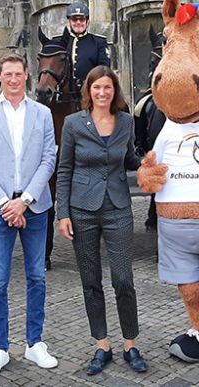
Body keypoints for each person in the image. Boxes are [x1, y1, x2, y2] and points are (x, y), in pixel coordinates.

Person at [55, 65, 148, 375]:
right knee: (91, 281)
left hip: (118, 207)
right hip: (82, 210)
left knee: (123, 279)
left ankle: (130, 344)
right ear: (89, 91)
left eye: (108, 87)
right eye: (97, 88)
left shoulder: (125, 122)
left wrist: (150, 162)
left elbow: (131, 159)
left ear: (114, 90)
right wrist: (63, 214)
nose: (102, 92)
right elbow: (64, 169)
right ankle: (102, 344)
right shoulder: (73, 124)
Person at [0, 52, 59, 379]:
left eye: (18, 74)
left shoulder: (43, 113)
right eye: (7, 74)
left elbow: (48, 160)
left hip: (35, 207)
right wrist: (6, 203)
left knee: (37, 276)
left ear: (26, 76)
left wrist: (25, 200)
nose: (12, 79)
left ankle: (35, 342)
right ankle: (0, 347)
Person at [64, 2, 111, 95]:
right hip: (64, 94)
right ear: (68, 22)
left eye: (82, 19)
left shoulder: (99, 42)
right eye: (74, 19)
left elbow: (104, 69)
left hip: (91, 91)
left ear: (87, 22)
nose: (78, 22)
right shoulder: (59, 42)